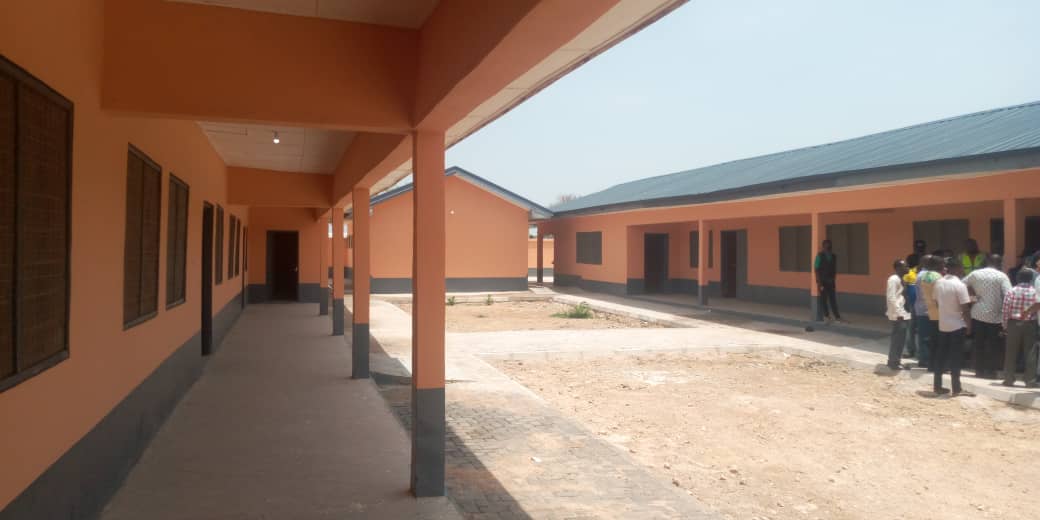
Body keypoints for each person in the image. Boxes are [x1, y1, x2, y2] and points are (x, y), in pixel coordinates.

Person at [962, 254, 1011, 379]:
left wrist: (972, 298)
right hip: (995, 316)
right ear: (999, 263)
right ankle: (990, 371)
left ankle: (979, 370)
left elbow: (961, 285)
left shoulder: (975, 274)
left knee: (978, 343)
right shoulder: (1002, 276)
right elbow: (1008, 294)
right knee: (993, 345)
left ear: (987, 261)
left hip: (977, 313)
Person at [932, 257, 975, 397]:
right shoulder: (959, 285)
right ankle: (957, 388)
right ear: (956, 268)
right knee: (955, 357)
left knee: (940, 356)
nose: (962, 270)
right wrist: (969, 325)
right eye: (961, 267)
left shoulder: (938, 283)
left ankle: (937, 386)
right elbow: (965, 309)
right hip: (957, 325)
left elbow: (936, 303)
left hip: (943, 325)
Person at [1001, 269, 1038, 387]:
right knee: (1030, 352)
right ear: (1031, 279)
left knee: (1011, 352)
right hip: (1030, 323)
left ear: (1018, 278)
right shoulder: (1035, 292)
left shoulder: (1011, 291)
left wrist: (1005, 325)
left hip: (1014, 323)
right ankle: (1030, 380)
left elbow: (1005, 310)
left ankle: (1008, 379)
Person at [886, 260, 912, 370]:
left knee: (901, 338)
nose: (908, 268)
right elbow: (891, 297)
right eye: (905, 266)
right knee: (898, 338)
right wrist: (898, 313)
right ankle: (893, 362)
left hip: (903, 312)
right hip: (898, 314)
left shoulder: (901, 279)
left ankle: (896, 360)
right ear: (898, 268)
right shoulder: (893, 279)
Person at [913, 254, 936, 369]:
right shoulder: (926, 275)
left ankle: (924, 359)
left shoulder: (923, 274)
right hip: (927, 310)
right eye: (931, 261)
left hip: (924, 309)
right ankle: (925, 361)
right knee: (926, 337)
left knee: (925, 336)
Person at [814, 239, 844, 323]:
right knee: (824, 299)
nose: (828, 247)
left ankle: (837, 316)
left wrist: (833, 278)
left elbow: (834, 268)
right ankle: (827, 316)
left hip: (831, 281)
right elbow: (816, 269)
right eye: (826, 245)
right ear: (823, 246)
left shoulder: (834, 256)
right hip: (822, 281)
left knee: (833, 299)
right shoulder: (819, 256)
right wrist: (819, 282)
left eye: (829, 245)